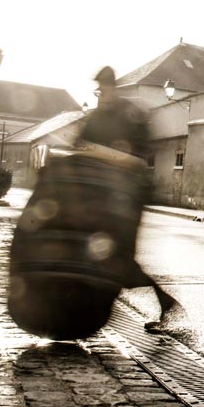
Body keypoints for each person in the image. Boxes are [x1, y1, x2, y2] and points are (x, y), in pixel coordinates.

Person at [77, 66, 182, 332]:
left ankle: (166, 303)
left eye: (105, 89)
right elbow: (79, 144)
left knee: (121, 257)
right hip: (97, 193)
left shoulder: (131, 116)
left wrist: (103, 154)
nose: (102, 95)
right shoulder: (95, 117)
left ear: (114, 87)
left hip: (127, 196)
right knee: (95, 251)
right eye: (99, 91)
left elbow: (139, 159)